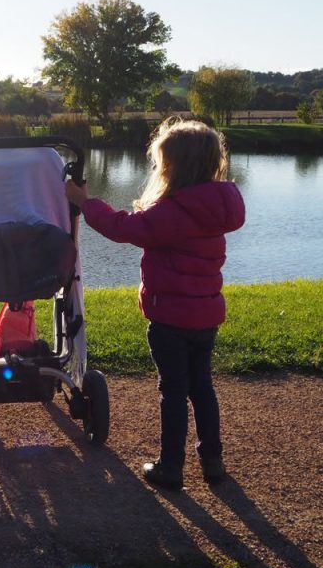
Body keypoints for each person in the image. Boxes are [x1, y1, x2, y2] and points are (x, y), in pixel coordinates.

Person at [65, 118, 245, 490]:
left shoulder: (172, 212)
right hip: (206, 314)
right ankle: (212, 460)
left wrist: (84, 201)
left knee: (173, 392)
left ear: (171, 166)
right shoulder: (217, 206)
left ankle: (170, 466)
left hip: (169, 318)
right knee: (202, 387)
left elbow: (122, 228)